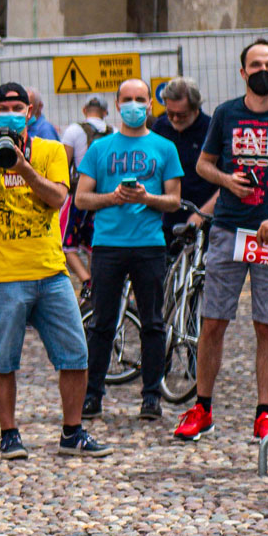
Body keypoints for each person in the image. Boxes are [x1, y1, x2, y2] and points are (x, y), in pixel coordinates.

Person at [0, 82, 108, 459]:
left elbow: (58, 198)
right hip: (5, 276)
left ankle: (72, 432)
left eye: (16, 106)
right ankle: (9, 434)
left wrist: (21, 165)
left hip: (52, 271)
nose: (10, 112)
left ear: (29, 112)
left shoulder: (50, 150)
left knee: (75, 356)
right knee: (3, 361)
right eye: (2, 107)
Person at [177, 39, 268, 443]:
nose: (263, 69)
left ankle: (265, 414)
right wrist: (225, 181)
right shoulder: (226, 114)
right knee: (213, 320)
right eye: (256, 64)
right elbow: (204, 164)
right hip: (229, 229)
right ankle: (203, 407)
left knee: (267, 326)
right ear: (243, 72)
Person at [74, 77, 182, 421]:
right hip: (107, 246)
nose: (134, 105)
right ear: (117, 105)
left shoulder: (165, 148)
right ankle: (92, 394)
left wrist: (147, 198)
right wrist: (113, 198)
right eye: (127, 99)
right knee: (102, 323)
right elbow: (81, 198)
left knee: (152, 323)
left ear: (150, 105)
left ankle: (151, 396)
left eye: (140, 99)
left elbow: (174, 200)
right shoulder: (100, 148)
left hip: (150, 246)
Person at [152, 77, 216, 237]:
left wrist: (202, 214)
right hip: (166, 218)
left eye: (181, 115)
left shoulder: (211, 129)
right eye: (170, 113)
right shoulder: (160, 127)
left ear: (195, 109)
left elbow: (225, 182)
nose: (174, 119)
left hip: (204, 216)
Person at [62, 95, 111, 170]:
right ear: (105, 112)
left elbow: (64, 164)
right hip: (108, 180)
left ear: (84, 110)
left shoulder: (72, 130)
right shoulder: (114, 131)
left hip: (81, 179)